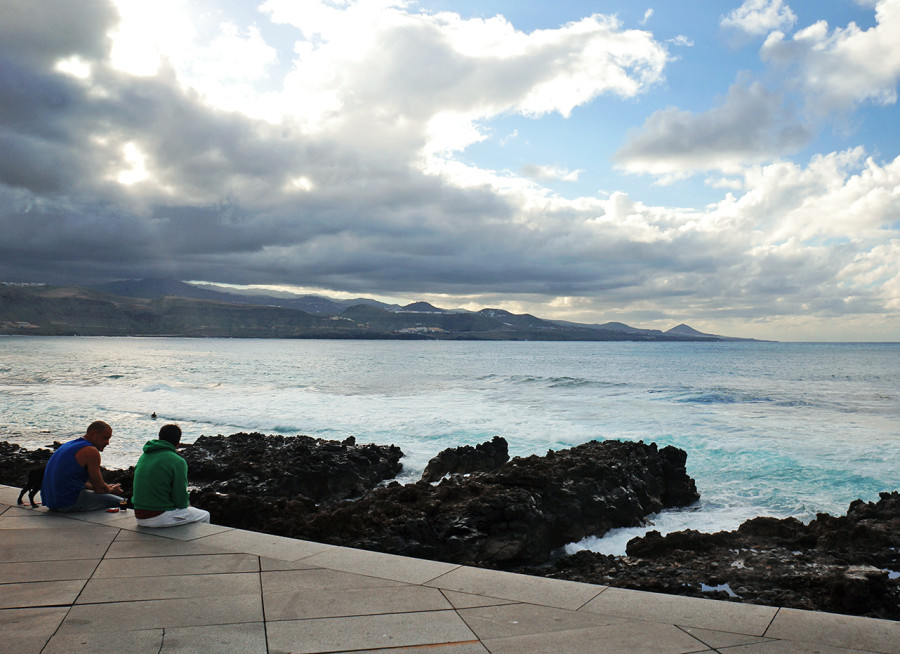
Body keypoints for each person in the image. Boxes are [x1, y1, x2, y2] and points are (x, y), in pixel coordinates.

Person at [132, 423, 210, 527]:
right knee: (204, 515)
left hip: (139, 515)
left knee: (186, 514)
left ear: (159, 437)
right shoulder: (177, 461)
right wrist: (187, 505)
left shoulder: (145, 455)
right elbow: (180, 500)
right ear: (178, 443)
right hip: (157, 517)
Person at [42, 420, 124, 512]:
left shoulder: (70, 445)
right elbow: (99, 489)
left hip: (52, 502)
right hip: (67, 503)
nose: (107, 443)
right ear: (93, 434)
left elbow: (77, 482)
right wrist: (111, 490)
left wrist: (108, 488)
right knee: (121, 502)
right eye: (105, 438)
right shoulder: (91, 451)